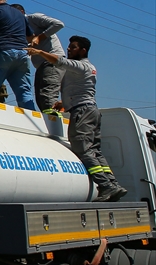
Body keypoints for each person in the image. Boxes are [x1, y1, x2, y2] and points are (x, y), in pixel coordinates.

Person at [27, 36, 127, 202]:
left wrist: (39, 52)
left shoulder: (81, 66)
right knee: (95, 150)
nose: (68, 49)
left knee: (83, 148)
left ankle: (106, 186)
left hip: (82, 112)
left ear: (83, 50)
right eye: (69, 47)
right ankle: (113, 184)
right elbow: (80, 89)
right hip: (91, 110)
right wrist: (63, 102)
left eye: (73, 47)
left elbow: (60, 62)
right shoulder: (89, 68)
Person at [12, 5, 65, 114]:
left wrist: (39, 37)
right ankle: (49, 123)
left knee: (47, 95)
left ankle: (54, 124)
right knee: (41, 96)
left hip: (51, 61)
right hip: (42, 66)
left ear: (21, 12)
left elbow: (58, 24)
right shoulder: (19, 29)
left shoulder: (33, 19)